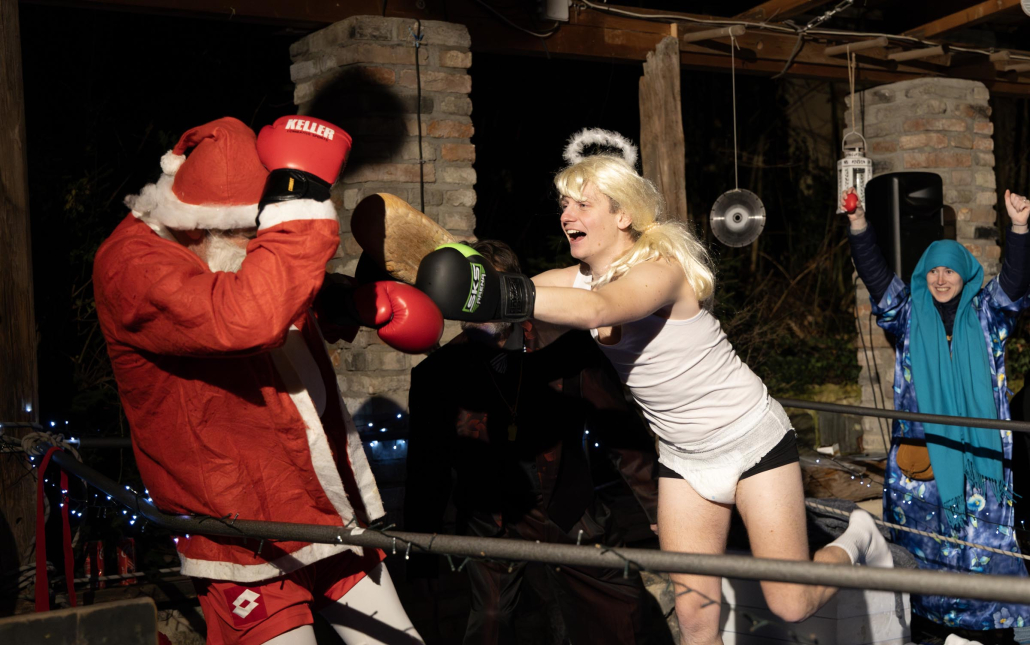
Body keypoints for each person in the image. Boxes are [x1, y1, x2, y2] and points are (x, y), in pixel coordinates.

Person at [414, 129, 893, 645]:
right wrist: (433, 298)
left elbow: (598, 309)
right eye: (564, 205)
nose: (567, 215)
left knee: (790, 603)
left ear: (623, 215)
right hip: (685, 459)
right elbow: (509, 314)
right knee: (695, 622)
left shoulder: (661, 270)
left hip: (750, 438)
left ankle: (859, 539)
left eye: (582, 204)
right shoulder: (574, 280)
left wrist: (492, 294)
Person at [94, 116, 442, 645]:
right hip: (242, 527)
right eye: (250, 231)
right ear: (198, 222)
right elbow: (242, 315)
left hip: (319, 501)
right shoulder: (130, 264)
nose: (257, 242)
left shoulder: (213, 244)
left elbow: (261, 284)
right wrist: (299, 208)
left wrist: (345, 303)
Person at [405, 240, 662, 645]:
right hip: (490, 520)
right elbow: (427, 469)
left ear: (510, 293)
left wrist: (658, 507)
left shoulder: (566, 345)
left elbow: (619, 431)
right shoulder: (437, 374)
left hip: (568, 509)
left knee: (621, 611)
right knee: (489, 624)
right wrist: (419, 554)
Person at [844, 186, 1030, 642]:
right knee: (924, 551)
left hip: (981, 463)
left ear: (965, 274)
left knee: (985, 548)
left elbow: (1015, 280)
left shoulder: (989, 314)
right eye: (933, 270)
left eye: (949, 270)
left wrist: (1020, 227)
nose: (941, 279)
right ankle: (928, 629)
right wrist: (859, 225)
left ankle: (990, 634)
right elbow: (875, 274)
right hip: (921, 466)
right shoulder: (907, 314)